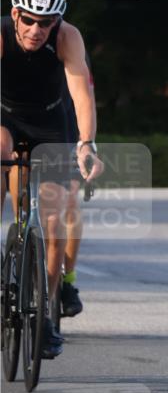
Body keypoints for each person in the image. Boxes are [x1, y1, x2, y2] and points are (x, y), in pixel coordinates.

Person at [1, 0, 104, 358]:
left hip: (50, 122)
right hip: (5, 117)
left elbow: (81, 93)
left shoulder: (67, 37)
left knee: (55, 223)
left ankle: (44, 312)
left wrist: (86, 145)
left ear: (56, 21)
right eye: (28, 20)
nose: (35, 29)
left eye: (46, 22)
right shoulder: (1, 34)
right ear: (15, 14)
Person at [60, 51, 96, 318]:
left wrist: (87, 145)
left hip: (66, 132)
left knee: (69, 204)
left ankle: (67, 280)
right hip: (19, 127)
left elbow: (86, 101)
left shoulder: (71, 49)